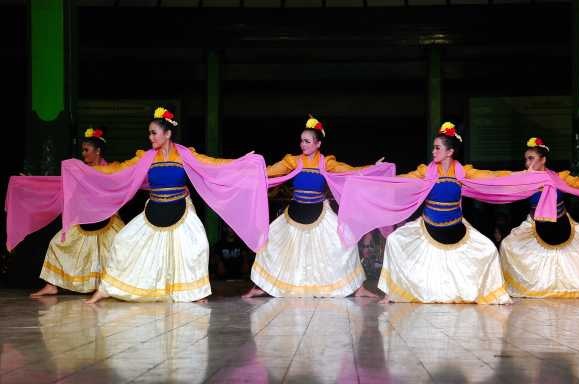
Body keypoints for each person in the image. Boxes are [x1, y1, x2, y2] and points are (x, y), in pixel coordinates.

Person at [71, 107, 268, 303]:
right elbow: (119, 169)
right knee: (123, 242)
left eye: (154, 133)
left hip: (181, 208)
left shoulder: (184, 155)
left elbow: (212, 163)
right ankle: (107, 288)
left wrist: (241, 162)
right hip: (154, 209)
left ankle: (195, 291)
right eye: (149, 133)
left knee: (197, 246)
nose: (150, 137)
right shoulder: (146, 157)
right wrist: (84, 171)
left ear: (167, 134)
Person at [243, 115, 394, 298]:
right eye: (301, 141)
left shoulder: (325, 163)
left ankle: (357, 287)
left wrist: (373, 168)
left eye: (307, 141)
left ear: (318, 144)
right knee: (268, 243)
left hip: (320, 213)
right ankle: (262, 285)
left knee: (346, 242)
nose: (303, 144)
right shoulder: (293, 161)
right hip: (295, 213)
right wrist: (249, 166)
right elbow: (268, 172)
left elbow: (350, 171)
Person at [376, 122, 512, 304]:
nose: (433, 151)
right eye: (433, 147)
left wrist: (526, 175)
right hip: (428, 227)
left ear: (450, 152)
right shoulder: (426, 171)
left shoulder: (464, 172)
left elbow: (492, 176)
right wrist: (379, 174)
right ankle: (391, 292)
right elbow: (401, 181)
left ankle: (489, 293)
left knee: (488, 250)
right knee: (394, 241)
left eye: (437, 148)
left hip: (456, 228)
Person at [499, 137, 579, 299]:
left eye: (531, 158)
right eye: (526, 159)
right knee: (507, 246)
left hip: (563, 223)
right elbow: (498, 185)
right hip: (534, 225)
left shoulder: (560, 178)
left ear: (543, 159)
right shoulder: (523, 179)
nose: (527, 163)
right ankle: (512, 287)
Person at [30, 129, 125, 297]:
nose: (83, 154)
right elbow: (62, 186)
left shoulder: (110, 170)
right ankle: (52, 285)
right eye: (82, 150)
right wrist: (33, 184)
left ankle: (105, 288)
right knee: (56, 243)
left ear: (98, 151)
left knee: (112, 250)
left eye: (86, 150)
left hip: (106, 221)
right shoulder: (80, 170)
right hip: (83, 220)